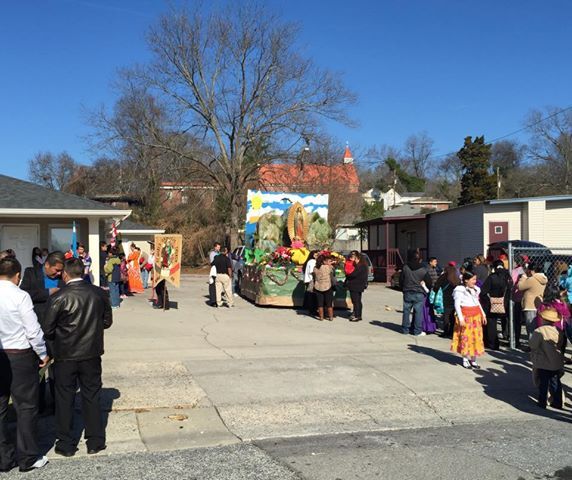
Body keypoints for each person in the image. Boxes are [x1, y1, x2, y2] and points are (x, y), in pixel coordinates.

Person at [43, 258, 113, 457]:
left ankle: (66, 443)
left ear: (65, 274)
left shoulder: (59, 297)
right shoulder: (98, 293)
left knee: (65, 397)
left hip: (65, 355)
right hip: (91, 353)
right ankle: (95, 441)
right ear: (82, 272)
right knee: (91, 395)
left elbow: (47, 329)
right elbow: (107, 321)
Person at [0, 257, 49, 472]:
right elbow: (33, 330)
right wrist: (43, 353)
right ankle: (27, 457)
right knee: (26, 407)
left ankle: (3, 458)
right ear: (18, 276)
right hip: (19, 355)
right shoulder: (21, 296)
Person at [529, 307, 564, 409]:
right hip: (555, 361)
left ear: (543, 319)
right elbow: (560, 344)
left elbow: (533, 345)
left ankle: (542, 402)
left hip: (543, 361)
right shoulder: (558, 330)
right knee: (555, 382)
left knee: (543, 383)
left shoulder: (539, 331)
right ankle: (557, 402)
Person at [451, 271, 487, 368]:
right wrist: (461, 318)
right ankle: (465, 359)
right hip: (466, 316)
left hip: (476, 316)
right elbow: (457, 304)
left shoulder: (475, 289)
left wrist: (483, 314)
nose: (475, 281)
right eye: (473, 279)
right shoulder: (460, 290)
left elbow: (477, 302)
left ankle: (473, 359)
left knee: (476, 337)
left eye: (475, 279)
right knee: (466, 337)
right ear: (466, 280)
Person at [480, 260, 513, 350]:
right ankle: (510, 339)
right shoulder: (508, 277)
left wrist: (487, 300)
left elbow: (483, 292)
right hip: (505, 304)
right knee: (507, 322)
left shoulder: (492, 277)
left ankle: (492, 343)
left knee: (491, 323)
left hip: (492, 303)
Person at [400, 250, 433, 336]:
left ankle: (405, 329)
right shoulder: (422, 269)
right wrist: (426, 289)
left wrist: (402, 289)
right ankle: (417, 330)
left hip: (407, 291)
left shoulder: (405, 267)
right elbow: (429, 282)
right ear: (418, 259)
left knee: (406, 311)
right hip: (419, 292)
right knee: (418, 312)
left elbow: (401, 280)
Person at [518, 262, 548, 339]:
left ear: (532, 271)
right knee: (537, 327)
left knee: (530, 327)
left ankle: (532, 346)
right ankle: (537, 345)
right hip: (538, 305)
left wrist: (523, 277)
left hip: (530, 306)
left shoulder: (532, 279)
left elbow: (520, 286)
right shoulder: (543, 278)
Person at [432, 265, 461, 338]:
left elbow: (436, 286)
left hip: (445, 298)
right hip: (455, 298)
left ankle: (446, 331)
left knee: (446, 315)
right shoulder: (457, 278)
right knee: (453, 316)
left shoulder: (443, 277)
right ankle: (452, 332)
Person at [345, 251, 368, 322]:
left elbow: (353, 274)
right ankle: (356, 313)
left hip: (356, 285)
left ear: (358, 258)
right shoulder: (360, 265)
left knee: (356, 301)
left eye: (355, 258)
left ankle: (357, 316)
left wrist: (347, 274)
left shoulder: (361, 266)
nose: (354, 260)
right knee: (357, 300)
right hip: (357, 285)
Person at [313, 254, 335, 321]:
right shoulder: (328, 267)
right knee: (329, 303)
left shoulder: (315, 268)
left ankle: (321, 317)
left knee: (320, 304)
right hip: (327, 286)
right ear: (323, 261)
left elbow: (314, 276)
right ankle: (331, 317)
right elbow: (333, 272)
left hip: (318, 286)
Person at [303, 250, 319, 316]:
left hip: (309, 280)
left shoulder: (309, 261)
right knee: (312, 296)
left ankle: (311, 310)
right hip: (311, 280)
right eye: (316, 255)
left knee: (311, 295)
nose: (317, 256)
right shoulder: (312, 261)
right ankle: (312, 310)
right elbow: (312, 271)